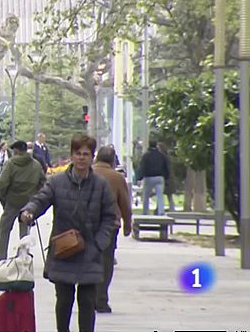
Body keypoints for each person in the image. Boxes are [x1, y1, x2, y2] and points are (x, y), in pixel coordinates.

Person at [20, 134, 117, 332]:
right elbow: (41, 199)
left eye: (86, 154)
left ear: (92, 157)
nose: (82, 158)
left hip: (90, 251)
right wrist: (29, 211)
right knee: (64, 301)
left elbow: (109, 218)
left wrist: (99, 243)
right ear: (72, 156)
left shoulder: (100, 185)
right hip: (64, 250)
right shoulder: (57, 182)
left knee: (87, 302)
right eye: (78, 153)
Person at [92, 145, 132, 313]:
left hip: (87, 224)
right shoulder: (116, 177)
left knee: (86, 261)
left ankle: (87, 297)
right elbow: (124, 203)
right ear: (112, 161)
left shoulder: (86, 172)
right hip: (109, 226)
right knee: (106, 262)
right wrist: (128, 225)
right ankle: (101, 299)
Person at [0, 140, 46, 265]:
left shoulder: (10, 164)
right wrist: (36, 198)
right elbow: (43, 183)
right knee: (25, 230)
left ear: (16, 151)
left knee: (4, 228)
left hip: (12, 201)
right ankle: (23, 255)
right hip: (29, 202)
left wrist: (2, 198)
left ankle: (1, 256)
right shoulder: (36, 165)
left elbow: (2, 183)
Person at [135, 140, 170, 215]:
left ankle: (145, 212)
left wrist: (139, 178)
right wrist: (166, 178)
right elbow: (166, 167)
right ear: (156, 145)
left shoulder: (146, 155)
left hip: (148, 177)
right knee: (160, 195)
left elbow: (142, 167)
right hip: (159, 177)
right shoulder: (162, 155)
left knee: (146, 196)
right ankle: (161, 212)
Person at [157, 142, 176, 212]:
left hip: (167, 178)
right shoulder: (166, 157)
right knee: (166, 195)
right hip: (167, 178)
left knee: (167, 195)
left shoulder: (163, 157)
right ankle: (170, 209)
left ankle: (167, 209)